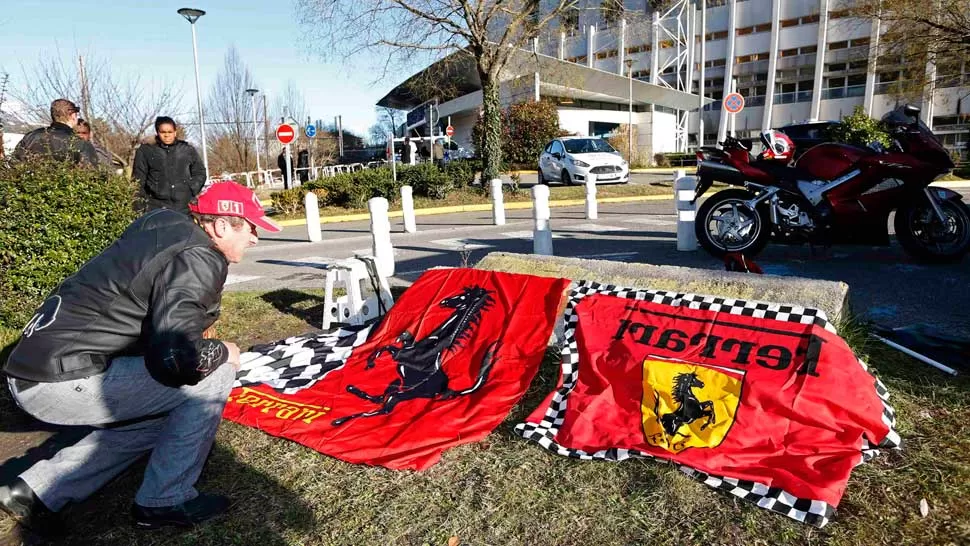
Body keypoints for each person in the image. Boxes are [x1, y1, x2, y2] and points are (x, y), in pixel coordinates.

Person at [0, 181, 282, 539]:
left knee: (158, 419)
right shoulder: (200, 256)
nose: (256, 238)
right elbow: (175, 361)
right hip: (59, 379)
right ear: (222, 225)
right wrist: (226, 350)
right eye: (252, 228)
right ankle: (166, 500)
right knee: (215, 375)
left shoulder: (165, 224)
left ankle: (36, 491)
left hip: (34, 368)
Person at [133, 116, 207, 214]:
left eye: (170, 132)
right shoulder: (146, 151)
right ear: (157, 132)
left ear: (175, 132)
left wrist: (191, 189)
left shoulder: (187, 150)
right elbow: (138, 180)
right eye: (163, 132)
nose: (167, 135)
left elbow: (200, 172)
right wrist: (139, 207)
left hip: (184, 206)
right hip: (156, 206)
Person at [13, 98, 98, 166]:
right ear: (73, 116)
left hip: (30, 186)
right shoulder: (80, 144)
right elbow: (91, 174)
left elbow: (15, 165)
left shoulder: (30, 137)